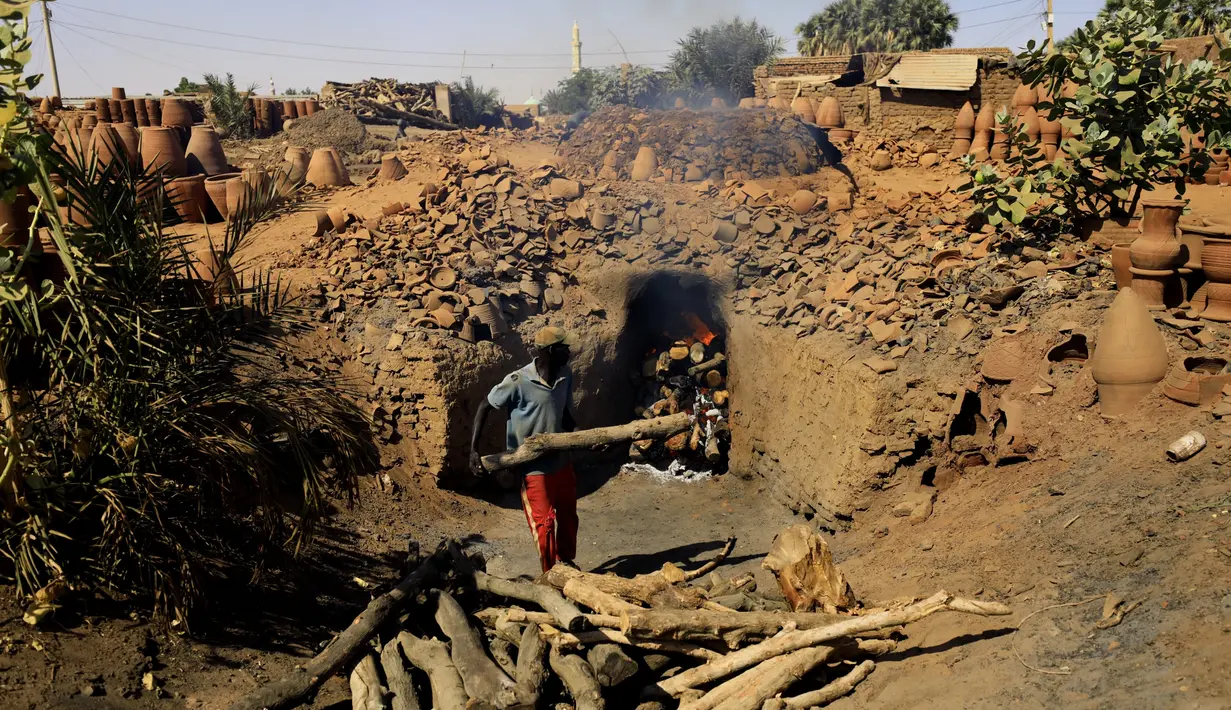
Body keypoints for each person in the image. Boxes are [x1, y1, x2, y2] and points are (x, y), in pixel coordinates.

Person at [471, 326, 579, 572]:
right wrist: (473, 451)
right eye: (565, 348)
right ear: (552, 351)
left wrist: (588, 439)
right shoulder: (518, 381)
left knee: (569, 517)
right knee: (545, 523)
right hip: (533, 466)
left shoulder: (566, 376)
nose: (570, 352)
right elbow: (484, 407)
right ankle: (551, 574)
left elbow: (563, 414)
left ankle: (567, 565)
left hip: (562, 461)